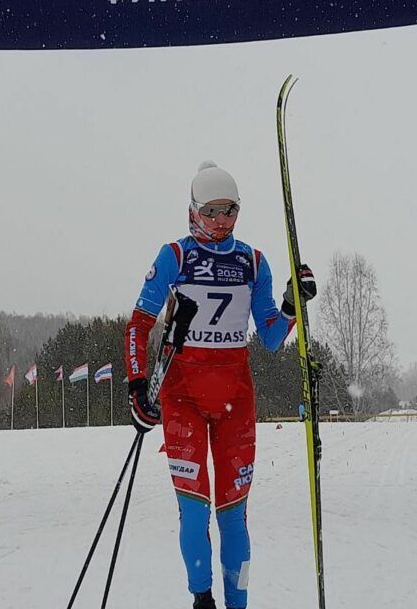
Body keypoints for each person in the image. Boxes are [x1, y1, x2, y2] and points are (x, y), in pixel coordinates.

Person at [125, 161, 317, 609]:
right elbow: (138, 324)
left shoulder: (252, 262)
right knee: (195, 512)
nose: (220, 221)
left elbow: (270, 337)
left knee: (234, 517)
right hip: (182, 398)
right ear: (192, 210)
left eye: (229, 210)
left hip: (236, 401)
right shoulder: (175, 256)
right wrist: (137, 385)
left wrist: (292, 306)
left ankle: (238, 603)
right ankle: (202, 599)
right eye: (210, 211)